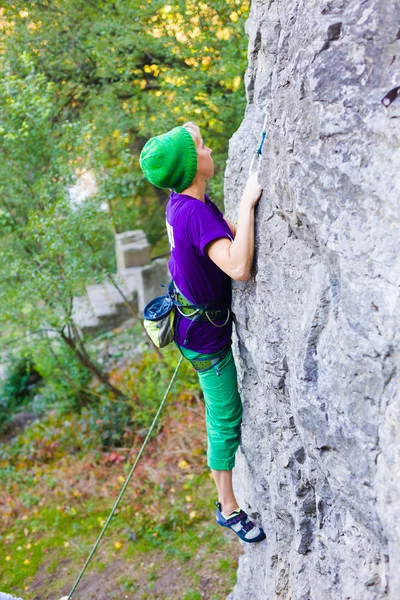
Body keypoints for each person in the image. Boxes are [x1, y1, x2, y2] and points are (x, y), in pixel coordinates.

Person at [139, 122, 265, 543]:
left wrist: (230, 222)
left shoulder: (183, 200)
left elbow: (214, 236)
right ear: (194, 167)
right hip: (205, 341)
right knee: (225, 417)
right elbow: (239, 268)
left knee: (221, 412)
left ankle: (226, 503)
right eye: (201, 146)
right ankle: (228, 507)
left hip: (193, 320)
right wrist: (247, 206)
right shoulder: (191, 211)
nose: (208, 147)